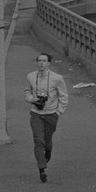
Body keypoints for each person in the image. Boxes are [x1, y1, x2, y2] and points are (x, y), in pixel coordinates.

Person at [24, 52, 69, 183]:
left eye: (44, 61)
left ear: (49, 63)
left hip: (51, 115)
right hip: (36, 113)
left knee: (47, 142)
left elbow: (64, 96)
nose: (41, 63)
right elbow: (27, 90)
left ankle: (48, 152)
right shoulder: (31, 76)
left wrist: (58, 111)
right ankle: (41, 170)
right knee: (39, 140)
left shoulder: (57, 78)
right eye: (39, 61)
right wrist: (32, 99)